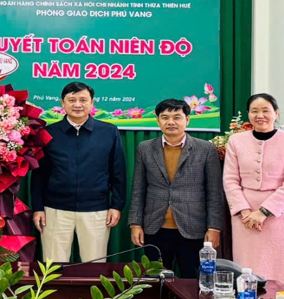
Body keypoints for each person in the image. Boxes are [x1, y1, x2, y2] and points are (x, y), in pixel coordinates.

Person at [31, 82, 126, 262]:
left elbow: (118, 172)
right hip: (55, 210)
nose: (77, 105)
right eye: (72, 100)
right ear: (62, 103)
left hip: (96, 210)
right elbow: (39, 175)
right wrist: (38, 208)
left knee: (95, 265)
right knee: (53, 266)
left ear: (92, 103)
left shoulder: (108, 131)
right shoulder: (48, 133)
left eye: (83, 100)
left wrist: (116, 205)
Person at [127, 99, 223, 277]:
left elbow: (214, 192)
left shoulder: (206, 149)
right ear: (158, 121)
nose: (171, 122)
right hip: (155, 227)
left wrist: (214, 227)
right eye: (165, 117)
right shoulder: (145, 148)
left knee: (191, 279)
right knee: (156, 279)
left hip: (193, 227)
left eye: (177, 117)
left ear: (187, 120)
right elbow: (138, 189)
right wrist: (135, 223)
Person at [223, 93, 284, 287]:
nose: (260, 115)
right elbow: (230, 179)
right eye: (254, 111)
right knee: (246, 267)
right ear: (248, 114)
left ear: (276, 113)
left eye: (265, 111)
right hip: (244, 216)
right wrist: (244, 211)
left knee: (279, 268)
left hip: (279, 215)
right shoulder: (236, 141)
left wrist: (263, 212)